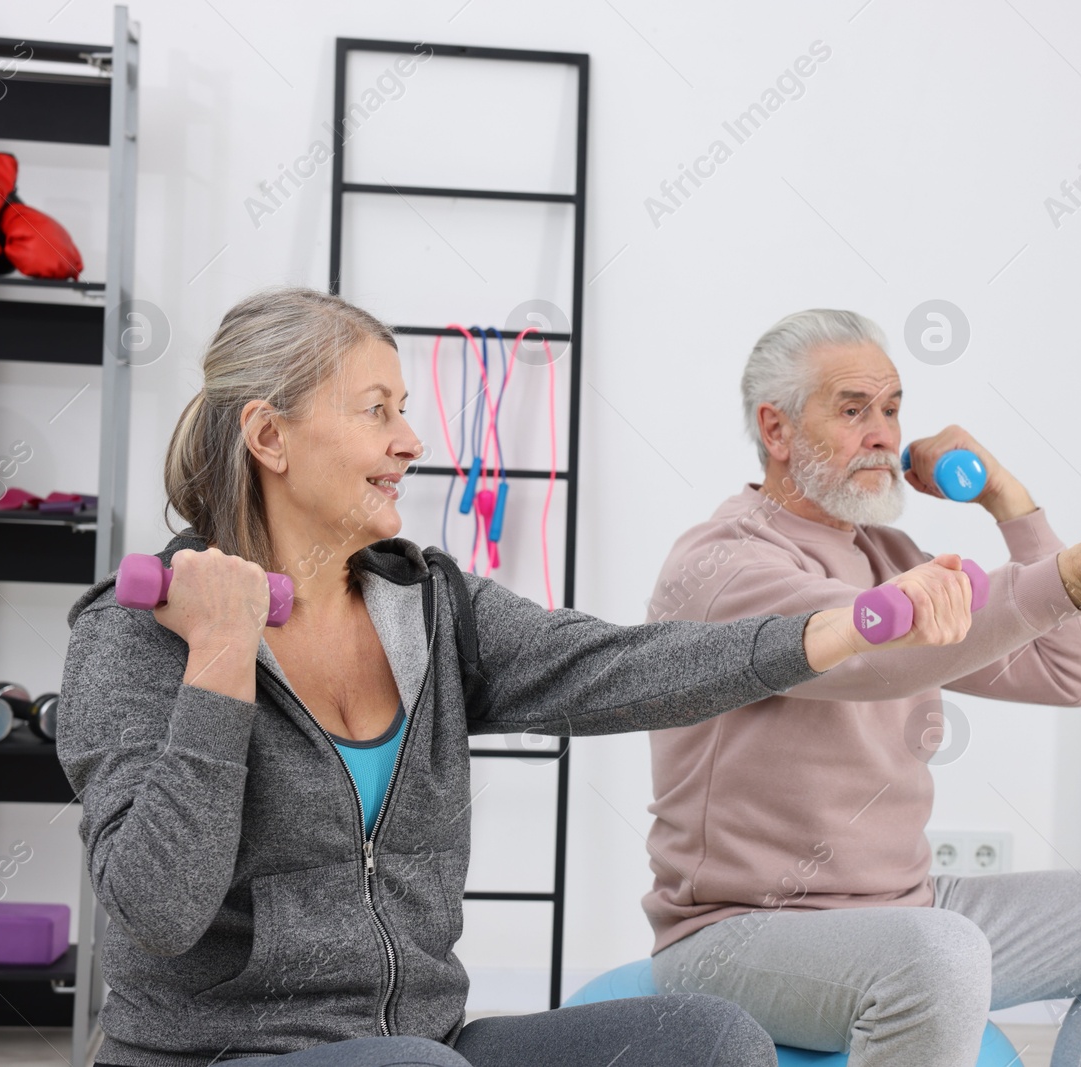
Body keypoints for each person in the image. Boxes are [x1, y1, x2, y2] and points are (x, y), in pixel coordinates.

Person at [57, 288, 980, 1067]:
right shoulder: (135, 637)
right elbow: (157, 911)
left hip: (425, 1042)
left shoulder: (429, 607)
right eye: (376, 409)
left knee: (710, 1041)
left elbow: (622, 664)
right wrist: (221, 657)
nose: (411, 439)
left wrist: (832, 630)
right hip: (218, 1054)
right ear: (270, 436)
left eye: (404, 407)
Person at [642, 309, 1081, 1067]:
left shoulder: (887, 553)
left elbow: (1077, 673)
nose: (882, 432)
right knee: (940, 955)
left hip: (905, 911)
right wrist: (1078, 573)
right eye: (853, 410)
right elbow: (876, 657)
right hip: (738, 933)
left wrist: (1009, 501)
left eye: (891, 408)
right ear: (776, 431)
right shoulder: (723, 565)